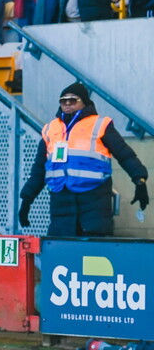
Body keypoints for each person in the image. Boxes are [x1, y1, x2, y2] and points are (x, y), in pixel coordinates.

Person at [19, 83, 148, 236]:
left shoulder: (100, 124)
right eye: (63, 100)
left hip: (94, 200)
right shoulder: (51, 129)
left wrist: (139, 180)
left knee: (93, 251)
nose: (67, 103)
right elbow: (39, 169)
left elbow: (124, 153)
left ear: (84, 102)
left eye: (73, 100)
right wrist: (27, 200)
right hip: (61, 201)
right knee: (62, 252)